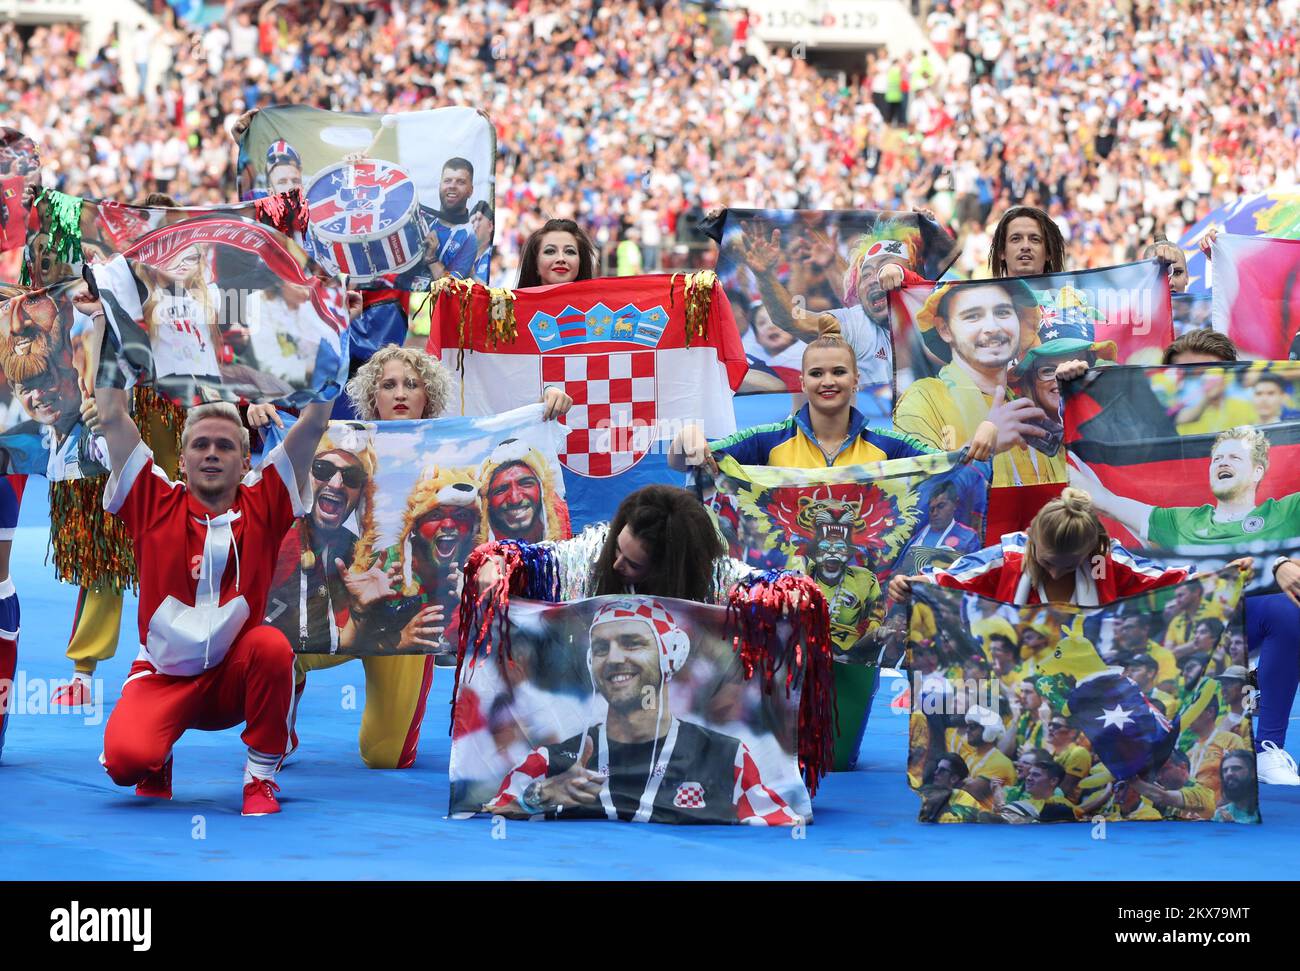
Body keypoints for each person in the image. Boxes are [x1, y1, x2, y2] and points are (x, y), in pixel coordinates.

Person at [248, 345, 570, 768]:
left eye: (411, 384)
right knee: (274, 642)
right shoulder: (334, 444)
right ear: (372, 397)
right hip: (333, 607)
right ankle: (278, 722)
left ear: (428, 396)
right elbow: (276, 477)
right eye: (389, 384)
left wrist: (547, 403)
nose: (400, 393)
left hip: (405, 622)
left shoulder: (462, 451)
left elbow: (510, 448)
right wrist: (259, 417)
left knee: (386, 756)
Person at [89, 378, 332, 815]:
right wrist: (110, 317)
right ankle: (155, 756)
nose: (213, 453)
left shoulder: (267, 500)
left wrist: (336, 334)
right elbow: (111, 415)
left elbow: (314, 424)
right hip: (163, 674)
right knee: (126, 763)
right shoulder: (150, 498)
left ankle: (260, 777)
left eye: (225, 446)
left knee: (273, 646)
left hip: (234, 679)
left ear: (245, 463)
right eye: (201, 445)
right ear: (181, 461)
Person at [484, 598, 801, 824]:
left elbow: (782, 826)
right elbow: (498, 806)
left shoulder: (726, 758)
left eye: (632, 643)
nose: (614, 658)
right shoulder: (553, 760)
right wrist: (543, 794)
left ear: (670, 657)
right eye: (601, 648)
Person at [889, 488, 1237, 607]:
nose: (1055, 572)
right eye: (1047, 561)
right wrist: (912, 586)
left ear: (1089, 552)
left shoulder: (1107, 561)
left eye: (1068, 566)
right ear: (1032, 538)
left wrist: (1225, 576)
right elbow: (952, 578)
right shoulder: (1008, 556)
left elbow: (1170, 578)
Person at [894, 277, 1059, 486]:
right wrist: (983, 448)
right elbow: (912, 493)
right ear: (944, 329)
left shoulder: (1030, 400)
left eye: (1002, 312)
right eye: (973, 316)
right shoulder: (922, 400)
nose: (992, 327)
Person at [733, 220, 929, 389]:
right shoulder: (857, 322)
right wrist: (765, 276)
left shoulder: (945, 310)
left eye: (886, 266)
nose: (872, 279)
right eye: (866, 274)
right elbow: (794, 321)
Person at [424, 157, 477, 280]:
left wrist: (431, 258)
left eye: (461, 182)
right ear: (440, 185)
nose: (452, 186)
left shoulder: (469, 238)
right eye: (447, 180)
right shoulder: (422, 220)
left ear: (471, 191)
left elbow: (452, 287)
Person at [1130, 749, 1215, 820]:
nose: (1159, 777)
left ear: (1183, 767)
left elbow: (1162, 797)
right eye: (1157, 773)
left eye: (1164, 770)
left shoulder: (1203, 794)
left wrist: (1130, 778)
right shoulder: (1162, 797)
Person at [986, 205, 1065, 279]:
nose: (1025, 246)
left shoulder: (1071, 293)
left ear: (1048, 252)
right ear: (1001, 251)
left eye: (1035, 239)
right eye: (1016, 239)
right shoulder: (983, 293)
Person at [515, 219, 597, 288]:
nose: (561, 258)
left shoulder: (599, 306)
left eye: (569, 251)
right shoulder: (509, 306)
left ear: (581, 261)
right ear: (535, 262)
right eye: (550, 251)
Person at [913, 480, 981, 554]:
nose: (935, 513)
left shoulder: (968, 537)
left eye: (941, 506)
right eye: (932, 509)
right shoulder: (917, 537)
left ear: (955, 504)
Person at [1214, 749, 1260, 823]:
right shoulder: (1221, 814)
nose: (1229, 773)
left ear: (1253, 773)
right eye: (1225, 770)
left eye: (1236, 768)